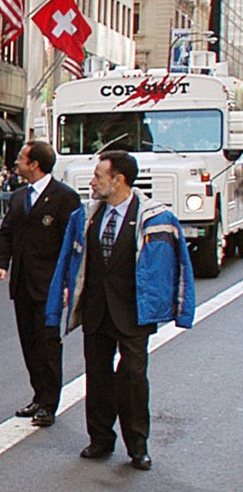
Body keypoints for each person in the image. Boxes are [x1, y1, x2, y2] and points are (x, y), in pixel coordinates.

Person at [47, 150, 194, 471]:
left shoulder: (157, 217)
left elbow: (178, 266)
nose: (92, 182)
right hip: (96, 311)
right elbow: (66, 264)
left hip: (133, 312)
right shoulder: (84, 217)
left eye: (98, 176)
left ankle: (138, 445)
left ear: (119, 180)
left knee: (132, 378)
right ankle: (100, 439)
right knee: (97, 378)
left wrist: (180, 309)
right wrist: (56, 308)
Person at [0, 140, 82, 426]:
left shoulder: (65, 197)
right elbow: (6, 234)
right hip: (22, 283)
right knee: (29, 342)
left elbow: (73, 244)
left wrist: (69, 283)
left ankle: (49, 404)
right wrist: (0, 265)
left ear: (35, 164)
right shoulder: (18, 197)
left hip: (50, 284)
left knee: (48, 344)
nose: (17, 162)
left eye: (21, 158)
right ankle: (38, 395)